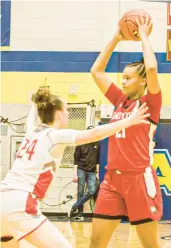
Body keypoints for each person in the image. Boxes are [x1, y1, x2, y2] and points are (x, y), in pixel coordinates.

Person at [0, 86, 149, 248]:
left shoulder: (31, 133)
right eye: (66, 110)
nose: (68, 114)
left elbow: (30, 120)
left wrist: (33, 106)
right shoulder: (55, 136)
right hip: (21, 205)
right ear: (58, 114)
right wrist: (129, 121)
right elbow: (95, 134)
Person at [89, 17, 162, 248]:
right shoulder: (119, 100)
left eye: (128, 78)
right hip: (112, 181)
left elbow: (150, 67)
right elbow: (96, 71)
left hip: (139, 180)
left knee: (149, 244)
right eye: (123, 77)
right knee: (96, 242)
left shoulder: (150, 103)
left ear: (142, 82)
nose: (123, 81)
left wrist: (145, 37)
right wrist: (117, 38)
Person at [69, 126, 100, 220]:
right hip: (81, 169)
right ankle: (80, 214)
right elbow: (76, 160)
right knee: (80, 191)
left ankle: (75, 205)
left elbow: (98, 159)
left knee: (92, 190)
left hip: (92, 171)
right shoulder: (80, 143)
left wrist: (97, 172)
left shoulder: (97, 144)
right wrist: (75, 173)